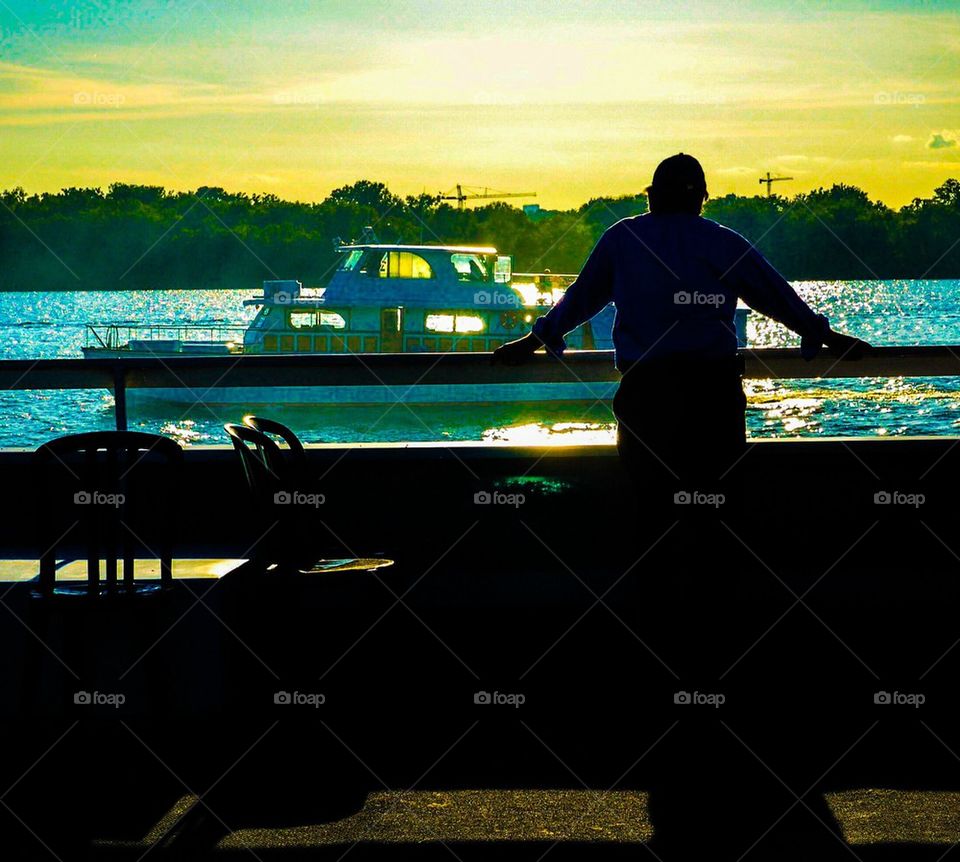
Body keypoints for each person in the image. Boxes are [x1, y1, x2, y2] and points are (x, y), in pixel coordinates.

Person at [493, 154, 872, 859]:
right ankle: (715, 661)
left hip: (648, 395)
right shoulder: (723, 243)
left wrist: (535, 340)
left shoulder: (622, 240)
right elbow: (773, 297)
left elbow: (580, 300)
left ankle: (659, 661)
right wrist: (819, 335)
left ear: (650, 195)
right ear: (699, 199)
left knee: (654, 520)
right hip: (709, 394)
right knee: (711, 521)